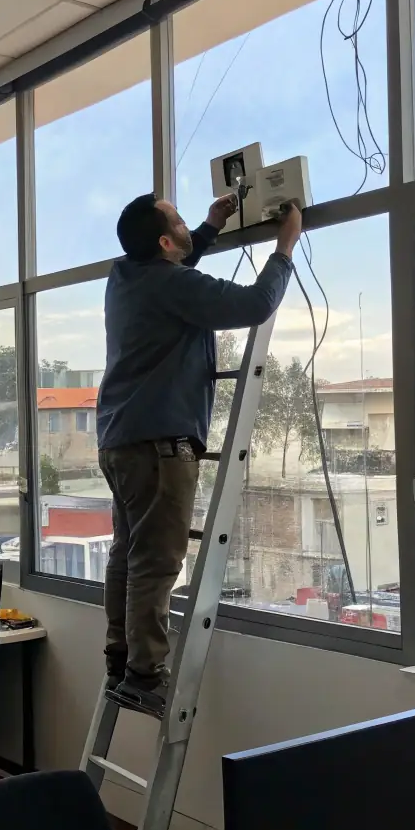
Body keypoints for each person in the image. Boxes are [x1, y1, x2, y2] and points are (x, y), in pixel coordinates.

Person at [96, 193, 302, 716]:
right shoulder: (171, 284)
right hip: (159, 447)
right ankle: (145, 675)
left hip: (120, 441)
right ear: (165, 241)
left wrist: (211, 227)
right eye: (181, 222)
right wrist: (285, 247)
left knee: (127, 554)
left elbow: (178, 265)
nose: (189, 226)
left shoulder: (124, 276)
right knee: (157, 563)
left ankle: (120, 659)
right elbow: (256, 305)